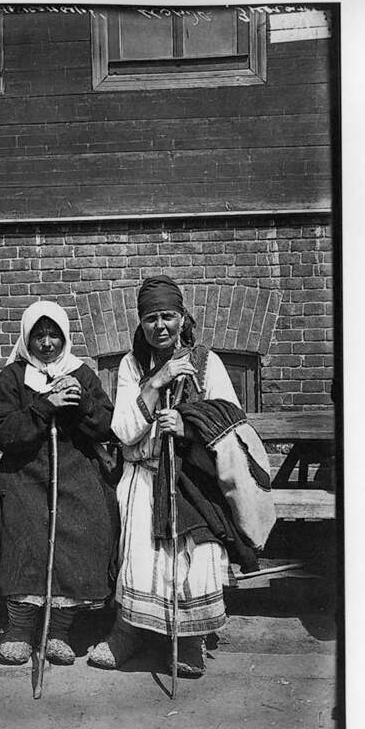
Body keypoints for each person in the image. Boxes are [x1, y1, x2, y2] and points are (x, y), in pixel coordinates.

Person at [89, 275, 275, 675]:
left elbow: (232, 424)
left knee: (201, 553)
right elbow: (122, 431)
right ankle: (129, 631)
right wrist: (156, 383)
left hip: (193, 479)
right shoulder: (131, 364)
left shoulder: (207, 362)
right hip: (145, 473)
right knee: (140, 548)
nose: (160, 326)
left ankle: (190, 638)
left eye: (168, 317)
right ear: (141, 324)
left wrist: (189, 428)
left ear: (182, 316)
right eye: (151, 318)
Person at [0, 300, 116, 666]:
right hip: (24, 476)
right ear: (27, 338)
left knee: (82, 533)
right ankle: (20, 630)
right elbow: (0, 431)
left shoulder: (83, 373)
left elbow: (107, 425)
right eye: (39, 335)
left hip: (75, 474)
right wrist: (45, 405)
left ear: (65, 337)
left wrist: (81, 402)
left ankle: (59, 629)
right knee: (23, 537)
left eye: (54, 334)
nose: (47, 343)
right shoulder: (13, 377)